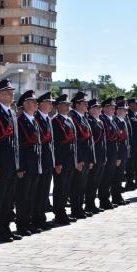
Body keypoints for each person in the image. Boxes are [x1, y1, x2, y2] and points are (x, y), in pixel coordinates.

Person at [0, 79, 22, 243]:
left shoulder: (12, 113)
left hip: (12, 164)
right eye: (8, 92)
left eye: (12, 92)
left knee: (9, 199)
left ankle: (6, 229)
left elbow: (15, 142)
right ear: (0, 95)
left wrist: (18, 164)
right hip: (0, 165)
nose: (11, 94)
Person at [16, 90, 42, 236]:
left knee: (32, 196)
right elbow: (19, 146)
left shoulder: (34, 120)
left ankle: (29, 223)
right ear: (25, 104)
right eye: (32, 102)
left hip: (35, 165)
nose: (35, 104)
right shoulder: (20, 121)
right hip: (25, 166)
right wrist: (20, 167)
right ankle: (22, 225)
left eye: (35, 102)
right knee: (23, 197)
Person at [69, 91, 95, 219]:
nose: (87, 105)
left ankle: (80, 208)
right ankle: (76, 209)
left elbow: (89, 140)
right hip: (79, 158)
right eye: (85, 103)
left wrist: (90, 158)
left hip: (86, 157)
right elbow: (76, 141)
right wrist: (78, 159)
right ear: (77, 104)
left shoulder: (83, 117)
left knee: (82, 184)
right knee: (76, 185)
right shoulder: (73, 117)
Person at [51, 94, 77, 225]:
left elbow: (74, 142)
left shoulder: (68, 120)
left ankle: (63, 212)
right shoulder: (56, 121)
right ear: (58, 106)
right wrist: (58, 162)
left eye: (68, 105)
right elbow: (56, 144)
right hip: (62, 161)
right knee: (60, 187)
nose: (68, 107)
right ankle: (59, 213)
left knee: (66, 188)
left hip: (70, 160)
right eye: (65, 104)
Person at [33, 92, 55, 231]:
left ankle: (41, 218)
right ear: (40, 104)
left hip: (48, 161)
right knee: (38, 192)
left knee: (45, 192)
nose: (51, 105)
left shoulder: (48, 118)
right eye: (48, 102)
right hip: (39, 161)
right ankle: (36, 219)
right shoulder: (36, 119)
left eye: (51, 103)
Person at [85, 99, 106, 214]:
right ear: (91, 109)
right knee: (91, 182)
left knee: (96, 182)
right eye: (97, 108)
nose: (99, 109)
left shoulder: (100, 121)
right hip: (95, 156)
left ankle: (92, 203)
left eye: (99, 107)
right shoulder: (90, 121)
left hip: (101, 156)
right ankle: (89, 205)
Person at [99, 98, 119, 209]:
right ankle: (104, 200)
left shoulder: (111, 120)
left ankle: (107, 199)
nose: (113, 109)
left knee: (110, 178)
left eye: (114, 108)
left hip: (113, 153)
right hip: (108, 153)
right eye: (111, 107)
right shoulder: (103, 119)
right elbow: (107, 138)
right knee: (105, 179)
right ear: (105, 108)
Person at [113, 102, 130, 205]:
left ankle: (118, 196)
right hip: (119, 154)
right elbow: (117, 141)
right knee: (116, 177)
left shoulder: (123, 121)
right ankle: (115, 197)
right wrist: (118, 156)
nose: (126, 112)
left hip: (124, 153)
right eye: (124, 110)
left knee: (120, 177)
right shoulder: (116, 122)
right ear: (118, 110)